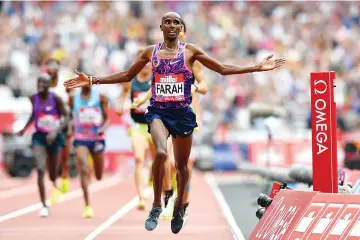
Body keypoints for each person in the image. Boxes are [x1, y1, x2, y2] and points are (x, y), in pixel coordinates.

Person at [64, 12, 285, 234]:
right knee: (160, 154)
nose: (171, 25)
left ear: (181, 28)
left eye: (176, 22)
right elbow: (126, 76)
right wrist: (92, 79)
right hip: (158, 112)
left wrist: (256, 67)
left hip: (182, 115)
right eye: (167, 22)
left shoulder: (190, 51)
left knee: (181, 167)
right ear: (161, 26)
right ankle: (157, 205)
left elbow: (222, 69)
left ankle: (179, 206)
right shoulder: (151, 52)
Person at [132, 18, 208, 221]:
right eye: (170, 27)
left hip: (186, 114)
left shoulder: (192, 57)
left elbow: (204, 86)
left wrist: (194, 87)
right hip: (162, 112)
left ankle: (182, 202)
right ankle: (165, 197)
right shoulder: (159, 55)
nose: (175, 33)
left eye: (179, 30)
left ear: (183, 33)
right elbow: (157, 86)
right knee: (164, 158)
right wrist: (143, 101)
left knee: (180, 165)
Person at [16, 73, 69, 217]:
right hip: (39, 136)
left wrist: (55, 131)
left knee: (52, 172)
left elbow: (66, 116)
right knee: (40, 168)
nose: (40, 86)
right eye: (38, 83)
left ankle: (55, 184)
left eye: (43, 83)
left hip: (54, 137)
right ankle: (44, 205)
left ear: (49, 84)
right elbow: (34, 115)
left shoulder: (55, 99)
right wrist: (24, 128)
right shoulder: (33, 98)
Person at [116, 48, 155, 211]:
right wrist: (120, 105)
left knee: (159, 160)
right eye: (142, 62)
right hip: (138, 125)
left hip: (155, 125)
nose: (145, 66)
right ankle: (141, 197)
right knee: (139, 159)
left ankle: (154, 179)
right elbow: (123, 94)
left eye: (148, 62)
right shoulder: (131, 80)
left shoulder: (157, 79)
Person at [68, 84, 109, 218]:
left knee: (98, 175)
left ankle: (92, 167)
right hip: (80, 138)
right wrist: (69, 129)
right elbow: (69, 117)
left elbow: (107, 119)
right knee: (83, 169)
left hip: (97, 138)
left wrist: (103, 127)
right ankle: (87, 206)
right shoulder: (73, 99)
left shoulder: (101, 97)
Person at [44, 58, 72, 193]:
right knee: (51, 155)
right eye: (49, 66)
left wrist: (69, 118)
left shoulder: (64, 83)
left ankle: (64, 176)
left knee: (64, 154)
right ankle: (54, 183)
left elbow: (71, 99)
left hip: (63, 121)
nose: (52, 69)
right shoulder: (43, 84)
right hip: (49, 122)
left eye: (54, 66)